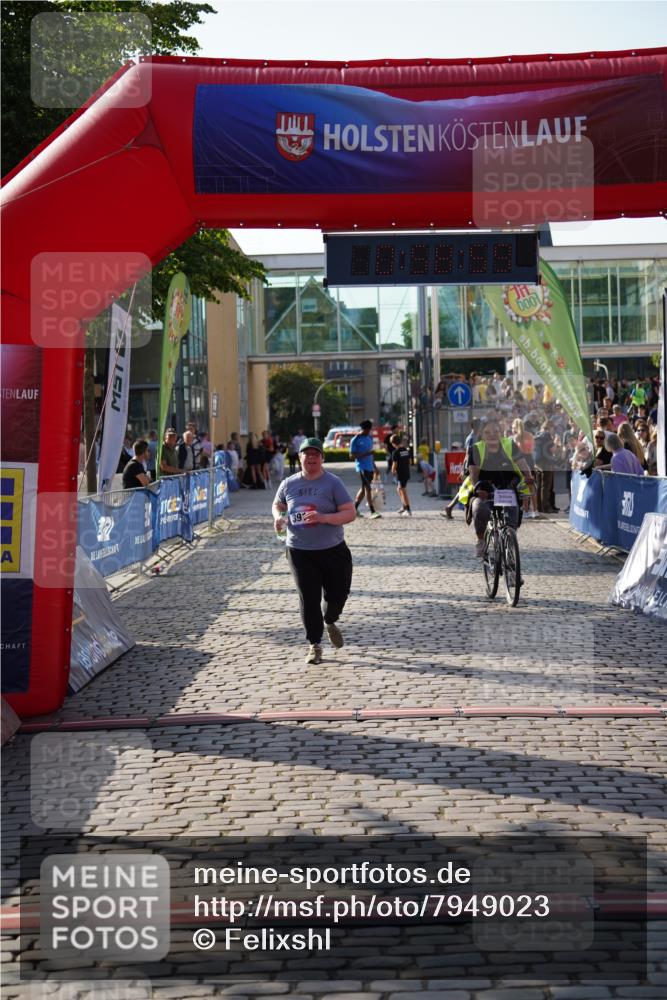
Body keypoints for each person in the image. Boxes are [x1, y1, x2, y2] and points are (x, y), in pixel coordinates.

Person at [272, 438, 356, 665]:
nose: (311, 457)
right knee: (308, 598)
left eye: (315, 454)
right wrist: (278, 518)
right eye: (306, 454)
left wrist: (323, 518)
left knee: (338, 594)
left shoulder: (333, 483)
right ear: (299, 458)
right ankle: (314, 645)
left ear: (322, 458)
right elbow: (278, 504)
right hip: (300, 550)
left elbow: (350, 513)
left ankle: (330, 620)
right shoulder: (289, 483)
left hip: (333, 549)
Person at [467, 417, 534, 557]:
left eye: (496, 431)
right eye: (488, 432)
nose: (492, 434)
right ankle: (480, 540)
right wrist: (478, 489)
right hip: (484, 489)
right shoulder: (476, 449)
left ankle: (509, 542)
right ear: (482, 434)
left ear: (501, 432)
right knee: (480, 510)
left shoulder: (509, 444)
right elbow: (473, 473)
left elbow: (521, 462)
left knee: (511, 517)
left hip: (505, 487)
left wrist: (528, 476)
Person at [350, 419, 381, 518]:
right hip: (361, 467)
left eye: (369, 430)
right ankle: (372, 511)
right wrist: (366, 454)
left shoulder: (369, 438)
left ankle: (354, 510)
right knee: (368, 487)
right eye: (367, 430)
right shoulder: (355, 439)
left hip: (370, 467)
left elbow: (371, 455)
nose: (368, 432)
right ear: (363, 429)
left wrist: (375, 467)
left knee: (364, 489)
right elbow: (351, 456)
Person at [391, 434, 412, 517]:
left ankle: (408, 509)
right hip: (406, 472)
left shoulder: (395, 452)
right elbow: (409, 462)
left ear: (393, 443)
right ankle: (404, 506)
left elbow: (394, 464)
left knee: (403, 490)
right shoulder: (405, 450)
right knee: (399, 489)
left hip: (400, 474)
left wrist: (393, 471)